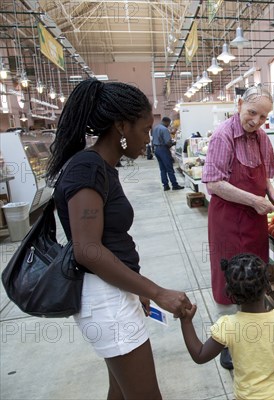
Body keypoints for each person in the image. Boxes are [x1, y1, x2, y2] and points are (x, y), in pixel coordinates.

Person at [46, 79, 193, 399]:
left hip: (114, 291)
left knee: (120, 391)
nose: (149, 139)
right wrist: (157, 292)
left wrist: (135, 286)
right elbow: (87, 249)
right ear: (122, 127)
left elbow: (110, 241)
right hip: (104, 301)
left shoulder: (102, 167)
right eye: (144, 130)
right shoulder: (88, 167)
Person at [202, 85, 274, 370]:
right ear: (239, 104)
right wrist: (255, 200)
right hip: (227, 217)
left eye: (263, 117)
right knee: (229, 276)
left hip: (253, 218)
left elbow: (264, 174)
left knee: (255, 273)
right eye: (252, 112)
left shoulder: (262, 138)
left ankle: (252, 334)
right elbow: (214, 183)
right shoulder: (223, 136)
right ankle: (228, 343)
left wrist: (271, 193)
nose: (256, 121)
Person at [179, 253, 274, 399]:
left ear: (231, 293)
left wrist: (186, 322)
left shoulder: (227, 326)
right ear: (267, 287)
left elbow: (200, 355)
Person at [151, 116, 184, 191]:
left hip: (156, 150)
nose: (168, 125)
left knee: (162, 169)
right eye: (169, 124)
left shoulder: (156, 128)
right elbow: (168, 142)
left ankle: (165, 186)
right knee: (169, 168)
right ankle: (174, 185)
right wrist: (174, 143)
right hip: (163, 150)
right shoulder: (164, 129)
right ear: (166, 122)